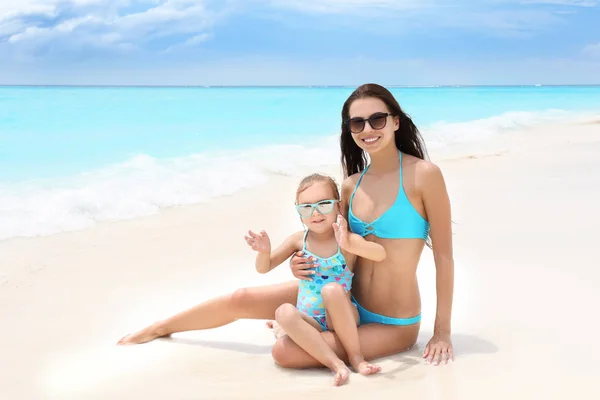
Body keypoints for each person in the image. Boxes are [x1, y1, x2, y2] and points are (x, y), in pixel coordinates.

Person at [118, 83, 455, 369]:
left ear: (395, 122)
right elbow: (336, 243)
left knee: (285, 352)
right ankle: (161, 327)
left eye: (377, 119)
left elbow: (444, 257)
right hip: (341, 300)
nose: (368, 129)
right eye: (357, 123)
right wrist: (300, 259)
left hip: (391, 322)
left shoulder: (423, 175)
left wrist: (442, 331)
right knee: (241, 297)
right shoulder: (352, 185)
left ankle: (287, 328)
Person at [245, 173, 384, 385]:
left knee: (331, 289)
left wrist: (349, 244)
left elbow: (380, 254)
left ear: (338, 207)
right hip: (311, 320)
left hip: (341, 315)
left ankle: (357, 358)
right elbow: (264, 268)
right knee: (283, 311)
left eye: (324, 204)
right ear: (299, 213)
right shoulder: (298, 240)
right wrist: (264, 252)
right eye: (306, 208)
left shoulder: (344, 240)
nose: (316, 213)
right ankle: (335, 364)